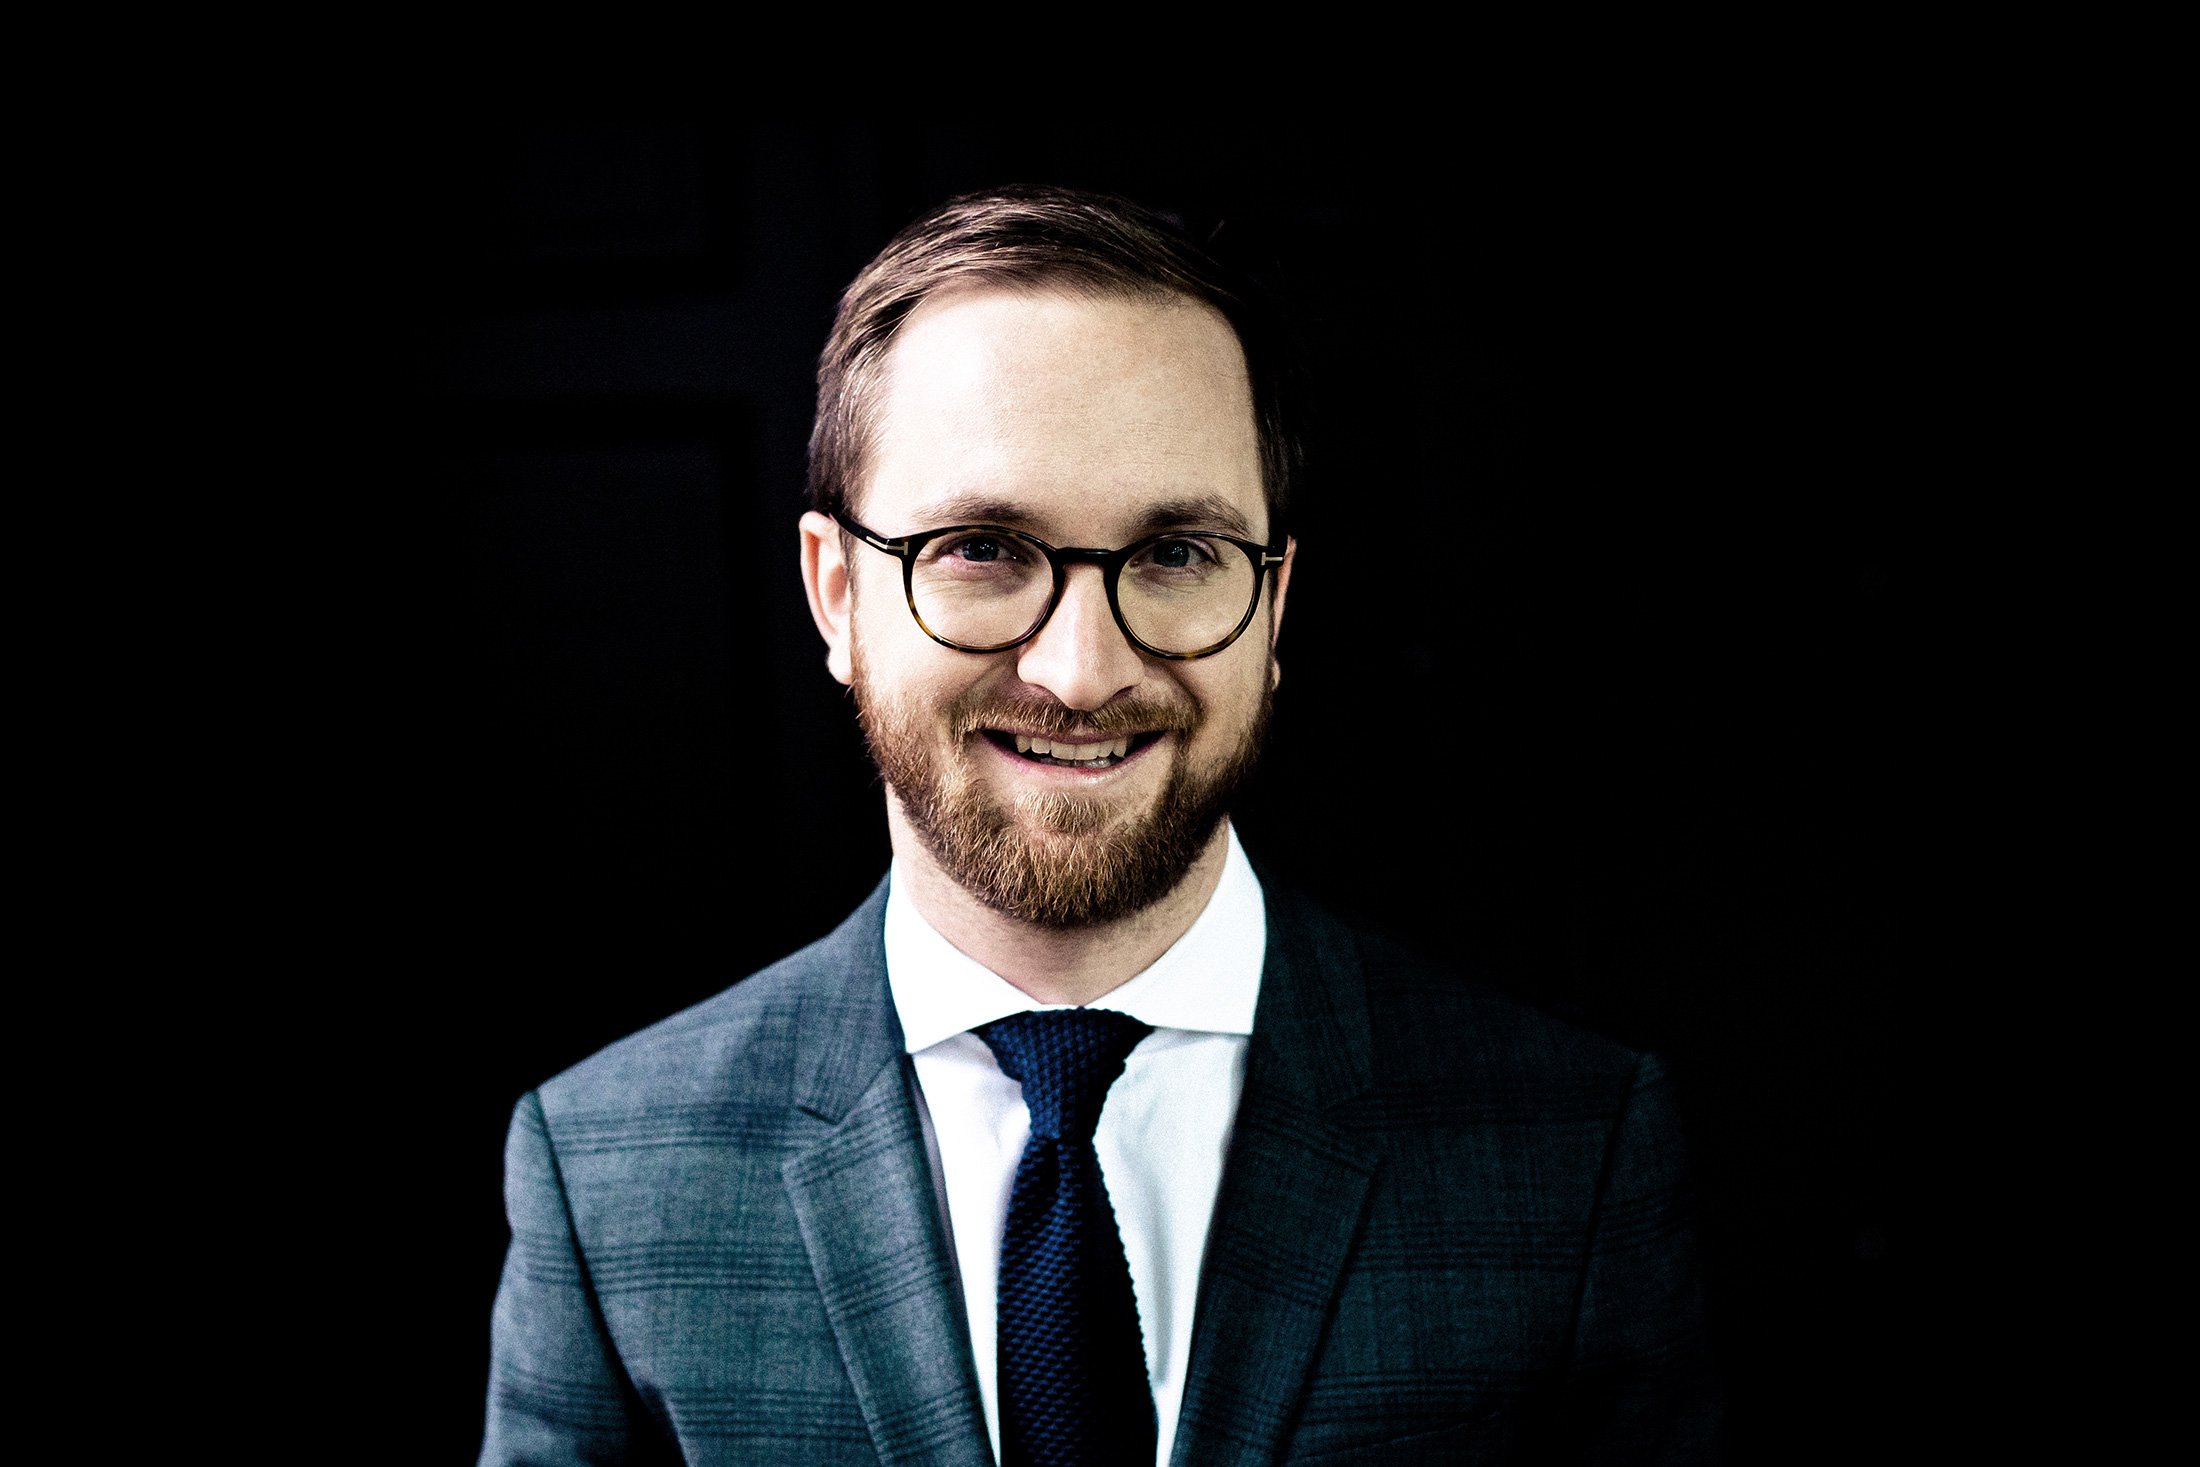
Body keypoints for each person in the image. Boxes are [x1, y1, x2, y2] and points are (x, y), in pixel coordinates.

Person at [479, 185, 1721, 1466]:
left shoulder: (1573, 1151)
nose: (1080, 671)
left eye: (1177, 552)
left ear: (1276, 604)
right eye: (980, 548)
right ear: (837, 595)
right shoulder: (606, 1174)